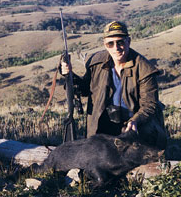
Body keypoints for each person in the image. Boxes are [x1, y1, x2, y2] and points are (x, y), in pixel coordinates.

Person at [60, 21, 168, 149]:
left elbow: (150, 105)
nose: (116, 48)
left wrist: (135, 121)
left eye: (120, 42)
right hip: (104, 122)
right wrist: (69, 74)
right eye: (110, 43)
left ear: (129, 41)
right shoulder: (96, 62)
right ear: (105, 45)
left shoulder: (145, 69)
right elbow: (84, 89)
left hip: (134, 123)